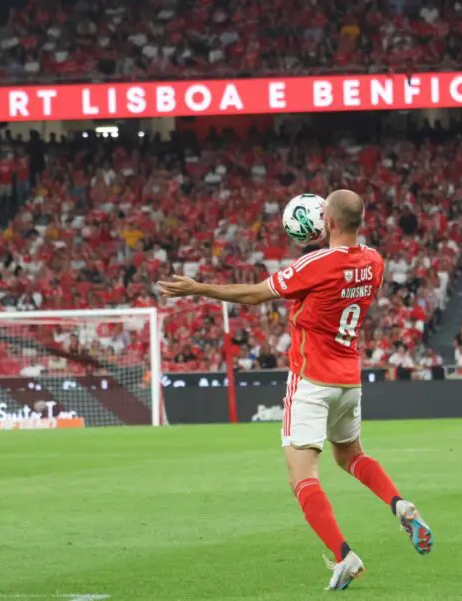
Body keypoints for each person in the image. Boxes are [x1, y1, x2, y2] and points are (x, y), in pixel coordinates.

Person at [159, 189, 433, 591]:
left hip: (311, 380)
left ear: (329, 222)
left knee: (301, 477)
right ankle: (399, 504)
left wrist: (198, 288)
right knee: (351, 456)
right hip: (349, 379)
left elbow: (254, 295)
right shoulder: (374, 261)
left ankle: (345, 556)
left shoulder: (315, 264)